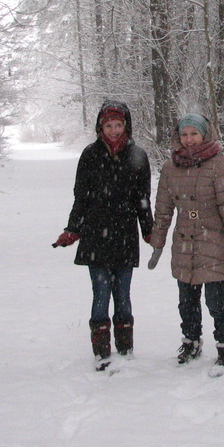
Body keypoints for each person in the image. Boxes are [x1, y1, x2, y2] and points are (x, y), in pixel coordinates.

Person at [54, 100, 153, 371]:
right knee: (100, 293)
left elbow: (143, 199)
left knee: (123, 293)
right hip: (95, 235)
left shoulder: (138, 156)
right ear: (100, 126)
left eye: (118, 125)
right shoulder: (90, 155)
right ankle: (101, 351)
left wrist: (148, 230)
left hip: (125, 235)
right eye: (108, 125)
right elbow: (81, 197)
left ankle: (125, 348)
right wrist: (73, 229)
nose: (113, 130)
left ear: (126, 125)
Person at [148, 113, 224, 373]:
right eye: (184, 134)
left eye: (194, 134)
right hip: (184, 243)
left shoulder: (219, 164)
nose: (189, 140)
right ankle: (190, 341)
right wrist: (158, 243)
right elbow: (163, 209)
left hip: (213, 241)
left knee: (216, 300)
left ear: (204, 134)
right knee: (186, 300)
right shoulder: (170, 167)